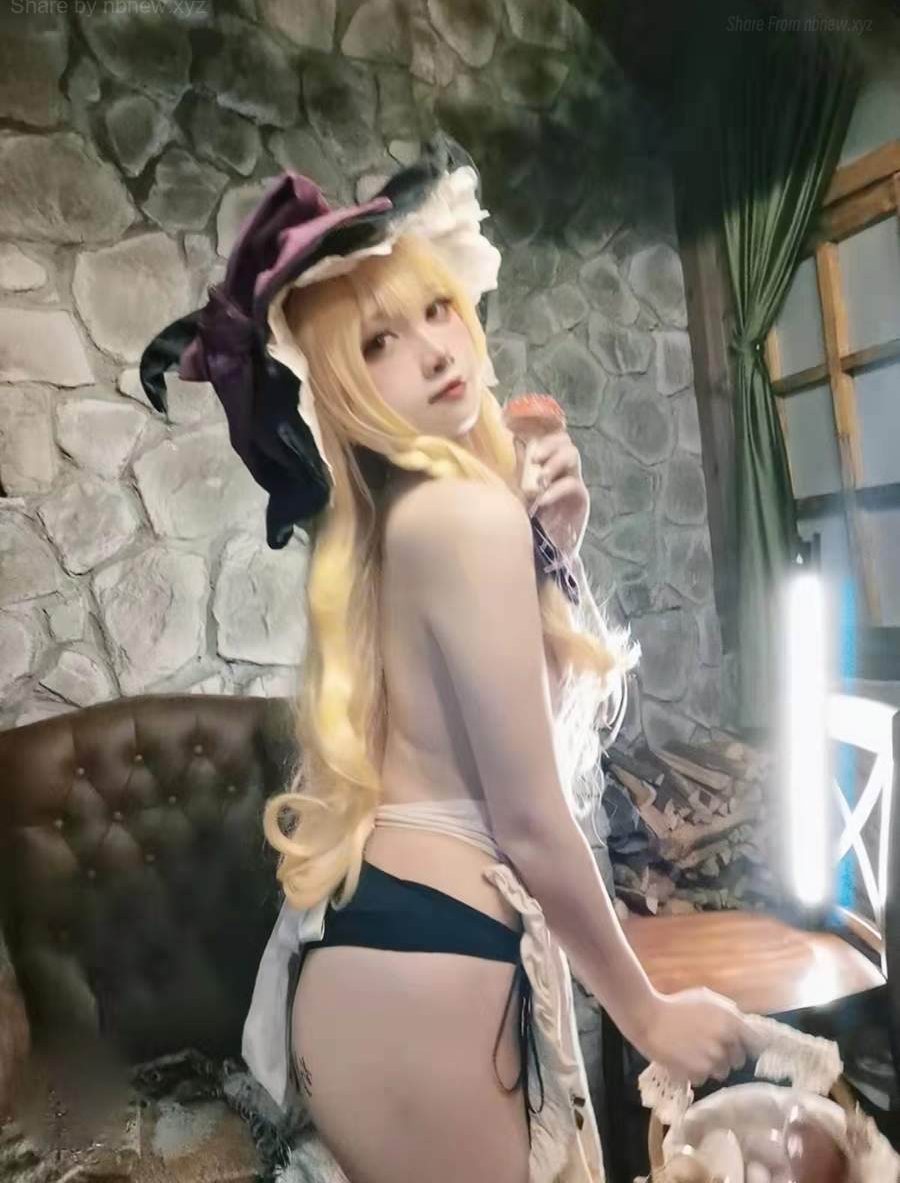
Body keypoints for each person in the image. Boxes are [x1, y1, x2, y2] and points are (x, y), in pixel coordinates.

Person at [140, 137, 752, 1183]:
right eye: (379, 341)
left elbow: (501, 740)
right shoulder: (460, 515)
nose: (434, 350)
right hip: (424, 976)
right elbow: (530, 815)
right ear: (339, 387)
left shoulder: (398, 521)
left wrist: (558, 546)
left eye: (436, 309)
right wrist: (645, 1011)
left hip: (377, 959)